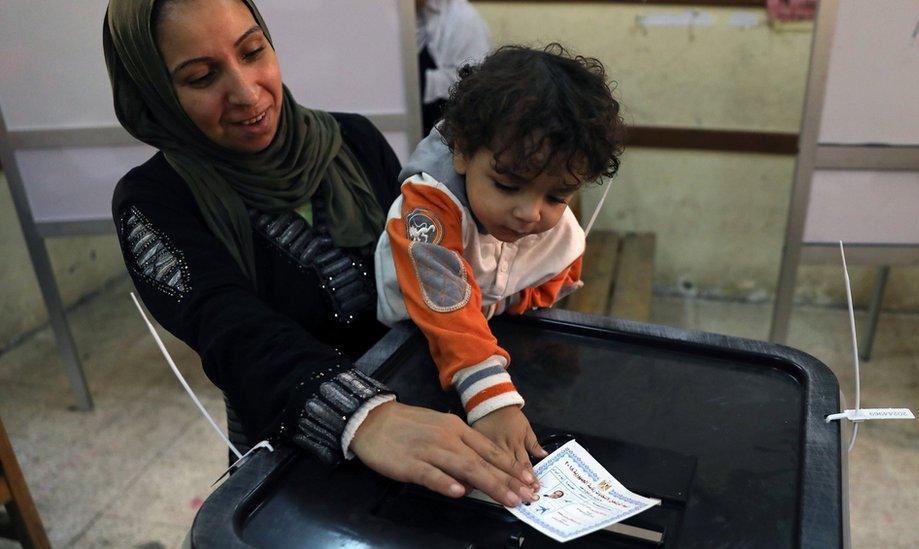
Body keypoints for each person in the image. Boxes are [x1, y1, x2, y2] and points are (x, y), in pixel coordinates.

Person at [103, 0, 537, 508]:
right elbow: (232, 330)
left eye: (252, 51)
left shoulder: (353, 140)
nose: (246, 93)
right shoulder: (156, 201)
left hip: (429, 418)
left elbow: (430, 264)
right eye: (201, 77)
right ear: (155, 92)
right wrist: (363, 415)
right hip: (295, 443)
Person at [375, 44, 624, 469]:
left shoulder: (551, 224)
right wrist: (493, 401)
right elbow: (446, 307)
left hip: (493, 338)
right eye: (507, 186)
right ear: (463, 154)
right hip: (408, 342)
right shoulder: (428, 208)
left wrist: (519, 303)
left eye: (556, 196)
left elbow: (557, 274)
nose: (529, 213)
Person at [415, 0, 491, 134]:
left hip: (448, 130)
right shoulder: (387, 16)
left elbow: (476, 85)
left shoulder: (463, 18)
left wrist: (422, 81)